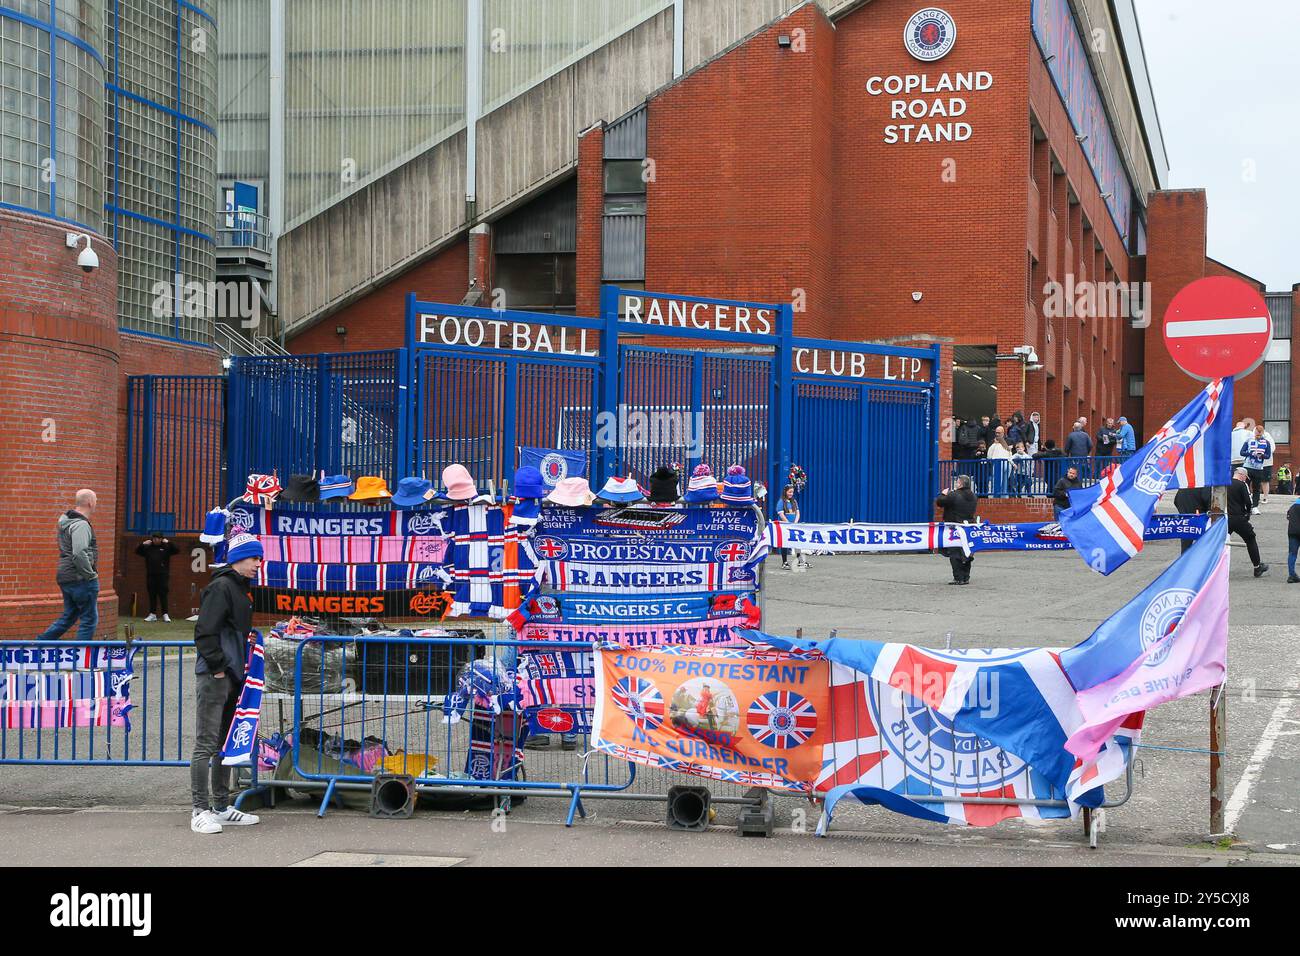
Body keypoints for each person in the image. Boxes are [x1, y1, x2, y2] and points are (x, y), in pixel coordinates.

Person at [189, 532, 264, 834]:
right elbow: (205, 632)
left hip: (232, 675)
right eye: (253, 558)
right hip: (215, 675)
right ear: (236, 559)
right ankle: (199, 810)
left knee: (224, 742)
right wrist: (219, 668)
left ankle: (220, 806)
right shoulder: (221, 587)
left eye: (259, 558)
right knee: (205, 743)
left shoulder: (240, 588)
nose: (258, 564)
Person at [38, 489, 100, 641]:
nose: (96, 503)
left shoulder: (65, 522)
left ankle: (37, 647)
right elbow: (79, 553)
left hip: (66, 575)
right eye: (96, 500)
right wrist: (90, 575)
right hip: (81, 578)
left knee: (69, 617)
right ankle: (81, 660)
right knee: (89, 619)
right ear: (90, 503)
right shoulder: (81, 525)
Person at [935, 475, 978, 585]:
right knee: (967, 552)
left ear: (960, 484)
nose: (955, 484)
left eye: (957, 482)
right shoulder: (973, 496)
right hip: (968, 527)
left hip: (954, 527)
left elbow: (940, 502)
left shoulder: (954, 495)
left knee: (954, 553)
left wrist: (943, 493)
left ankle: (958, 577)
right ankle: (966, 577)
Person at [1227, 468, 1269, 578]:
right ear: (1242, 475)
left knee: (1220, 542)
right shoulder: (1242, 485)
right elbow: (1248, 502)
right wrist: (1248, 513)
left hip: (1225, 518)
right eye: (1246, 477)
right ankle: (1257, 567)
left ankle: (1212, 567)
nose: (1246, 479)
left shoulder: (1225, 483)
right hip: (1238, 517)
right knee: (1250, 538)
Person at [136, 531, 179, 622]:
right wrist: (142, 544)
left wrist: (169, 542)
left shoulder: (166, 547)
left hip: (163, 575)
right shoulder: (148, 548)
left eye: (158, 538)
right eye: (154, 538)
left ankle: (165, 614)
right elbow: (137, 551)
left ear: (161, 539)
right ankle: (152, 614)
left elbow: (177, 550)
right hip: (151, 575)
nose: (155, 540)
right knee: (152, 594)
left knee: (163, 594)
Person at [775, 484, 807, 571]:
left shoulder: (794, 502)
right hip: (784, 526)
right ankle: (784, 562)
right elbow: (781, 514)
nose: (791, 494)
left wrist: (795, 523)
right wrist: (788, 523)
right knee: (784, 543)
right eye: (789, 492)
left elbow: (798, 513)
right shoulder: (781, 502)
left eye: (792, 492)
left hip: (793, 526)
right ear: (785, 492)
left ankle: (800, 561)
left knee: (797, 543)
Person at [1241, 424, 1272, 512]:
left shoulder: (1266, 442)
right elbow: (1242, 452)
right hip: (1248, 466)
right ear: (1254, 432)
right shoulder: (1248, 441)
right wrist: (1251, 453)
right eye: (1257, 433)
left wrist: (1262, 455)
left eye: (1260, 434)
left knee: (1256, 488)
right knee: (1245, 487)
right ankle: (1245, 505)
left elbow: (1268, 455)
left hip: (1258, 468)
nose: (1258, 435)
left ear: (1262, 433)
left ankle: (1254, 506)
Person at [1173, 486, 1212, 554]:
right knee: (1204, 543)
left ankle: (1184, 561)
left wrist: (1182, 511)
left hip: (1185, 519)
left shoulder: (1184, 486)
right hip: (1200, 519)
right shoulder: (1204, 486)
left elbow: (1176, 501)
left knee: (1186, 545)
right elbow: (1208, 502)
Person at [1287, 493, 1300, 583]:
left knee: (1292, 553)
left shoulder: (1292, 507)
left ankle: (1291, 575)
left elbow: (1288, 517)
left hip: (1293, 532)